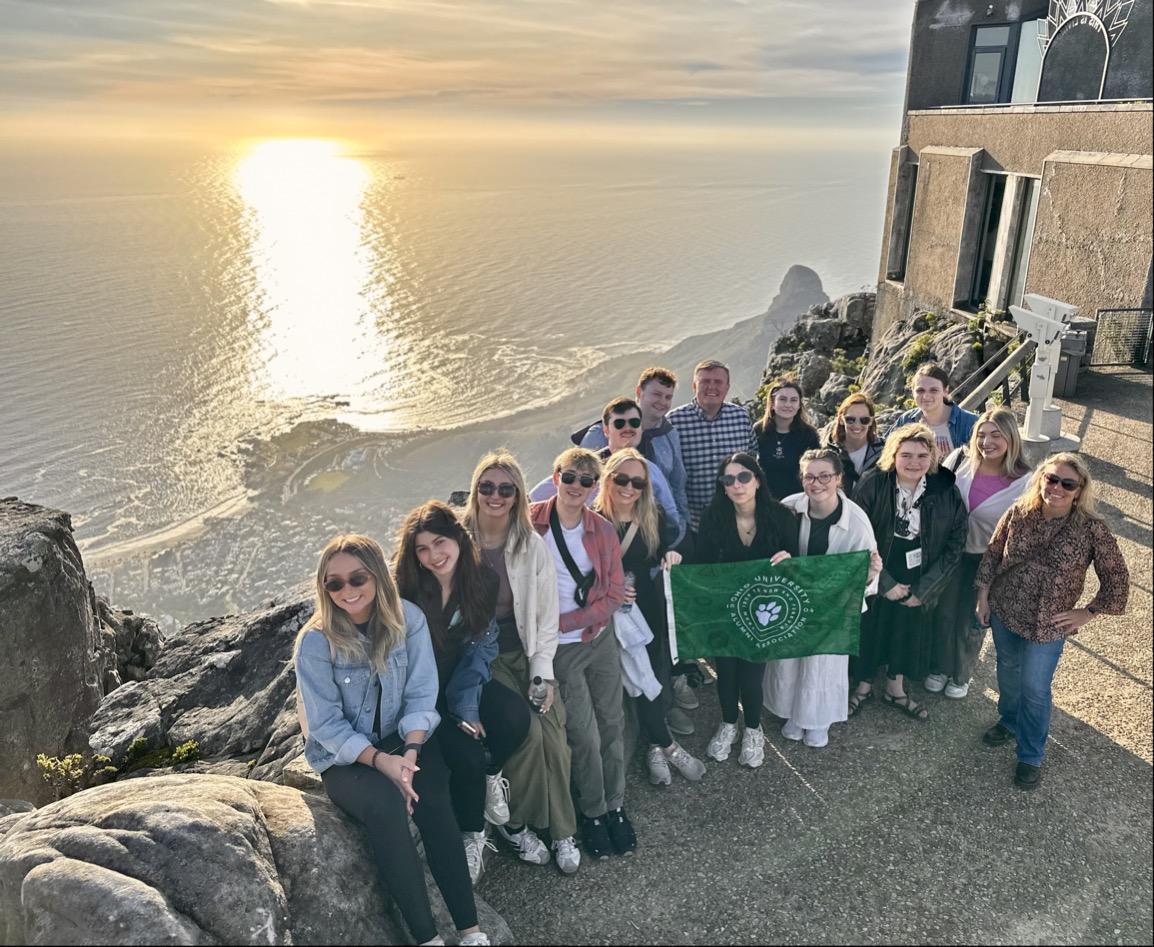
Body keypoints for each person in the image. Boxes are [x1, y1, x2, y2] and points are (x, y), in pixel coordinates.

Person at [295, 535, 490, 947]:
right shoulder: (316, 643)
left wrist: (412, 755)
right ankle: (427, 938)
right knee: (386, 808)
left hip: (405, 740)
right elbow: (325, 725)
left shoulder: (408, 620)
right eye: (335, 584)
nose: (347, 591)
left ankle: (471, 932)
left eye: (357, 578)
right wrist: (383, 763)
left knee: (433, 800)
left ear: (378, 576)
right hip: (344, 757)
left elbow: (421, 695)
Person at [393, 501, 533, 885]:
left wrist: (467, 706)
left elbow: (480, 647)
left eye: (439, 542)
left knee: (515, 717)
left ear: (457, 537)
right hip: (419, 690)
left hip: (460, 678)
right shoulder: (406, 591)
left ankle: (494, 775)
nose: (433, 556)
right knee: (466, 755)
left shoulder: (481, 580)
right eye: (422, 549)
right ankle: (474, 833)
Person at [976, 453, 1129, 790]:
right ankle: (1009, 720)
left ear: (1079, 490)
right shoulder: (1019, 512)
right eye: (1051, 479)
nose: (1057, 487)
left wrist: (1087, 612)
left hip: (1048, 624)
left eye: (1067, 483)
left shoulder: (1092, 530)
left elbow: (1117, 579)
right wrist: (983, 596)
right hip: (1006, 610)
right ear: (1041, 480)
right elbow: (993, 552)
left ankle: (1030, 755)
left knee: (1035, 688)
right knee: (1008, 670)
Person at [461, 450, 582, 875]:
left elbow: (547, 617)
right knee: (527, 733)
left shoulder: (531, 546)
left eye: (505, 489)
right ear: (475, 491)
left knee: (554, 731)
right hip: (482, 657)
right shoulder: (457, 543)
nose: (495, 496)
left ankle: (564, 830)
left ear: (517, 495)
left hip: (526, 650)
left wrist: (542, 673)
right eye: (487, 487)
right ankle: (516, 824)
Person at [529, 447, 634, 859]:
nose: (577, 487)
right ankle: (592, 812)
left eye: (587, 481)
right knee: (584, 736)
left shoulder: (601, 530)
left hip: (598, 639)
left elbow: (612, 595)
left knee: (612, 722)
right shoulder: (531, 523)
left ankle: (616, 805)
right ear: (555, 478)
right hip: (560, 652)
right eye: (569, 477)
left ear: (595, 488)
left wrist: (565, 622)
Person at [593, 448, 708, 785]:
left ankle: (656, 746)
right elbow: (581, 574)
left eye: (638, 483)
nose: (629, 488)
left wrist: (675, 552)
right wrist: (610, 590)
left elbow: (677, 544)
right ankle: (665, 744)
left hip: (648, 605)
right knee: (635, 676)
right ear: (608, 479)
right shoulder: (593, 521)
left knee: (651, 669)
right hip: (612, 613)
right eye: (622, 479)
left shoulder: (651, 514)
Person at [764, 449, 881, 748]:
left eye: (825, 476)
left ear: (839, 479)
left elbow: (866, 574)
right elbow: (767, 549)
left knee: (822, 664)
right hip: (793, 601)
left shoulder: (856, 520)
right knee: (789, 662)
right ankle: (793, 713)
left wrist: (869, 574)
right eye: (809, 476)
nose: (817, 483)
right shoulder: (789, 507)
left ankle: (817, 720)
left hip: (832, 605)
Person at [849, 424, 967, 721]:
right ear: (893, 455)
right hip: (878, 562)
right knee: (870, 624)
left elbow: (956, 541)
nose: (914, 462)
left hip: (920, 567)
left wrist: (924, 590)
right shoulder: (872, 483)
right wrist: (883, 581)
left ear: (933, 457)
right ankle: (862, 686)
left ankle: (895, 688)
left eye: (922, 455)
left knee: (907, 626)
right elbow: (855, 536)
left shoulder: (945, 491)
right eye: (906, 455)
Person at [696, 452, 799, 768]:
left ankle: (753, 730)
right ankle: (728, 724)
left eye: (743, 477)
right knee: (726, 672)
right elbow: (701, 566)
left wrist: (789, 561)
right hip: (726, 610)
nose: (737, 485)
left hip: (764, 611)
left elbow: (798, 561)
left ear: (757, 480)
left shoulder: (782, 516)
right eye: (729, 479)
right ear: (723, 487)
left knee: (752, 676)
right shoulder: (712, 517)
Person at [925, 408, 1032, 699]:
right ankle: (939, 666)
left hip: (987, 559)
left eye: (996, 435)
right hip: (950, 553)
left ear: (1011, 438)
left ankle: (961, 674)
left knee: (973, 619)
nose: (987, 442)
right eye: (981, 435)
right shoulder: (959, 462)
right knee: (944, 613)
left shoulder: (1026, 481)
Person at [533, 397, 685, 546]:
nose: (628, 428)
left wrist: (666, 553)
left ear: (641, 428)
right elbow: (537, 496)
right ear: (606, 430)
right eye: (619, 423)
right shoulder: (588, 467)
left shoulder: (650, 469)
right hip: (590, 554)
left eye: (634, 422)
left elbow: (671, 516)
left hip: (637, 557)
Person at [578, 367, 689, 529]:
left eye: (668, 397)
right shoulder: (599, 434)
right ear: (639, 392)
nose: (662, 402)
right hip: (607, 529)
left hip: (658, 529)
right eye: (657, 394)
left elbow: (677, 484)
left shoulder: (669, 435)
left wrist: (683, 530)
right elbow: (578, 477)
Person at [667, 359, 760, 535]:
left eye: (718, 382)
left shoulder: (740, 417)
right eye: (705, 381)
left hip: (738, 518)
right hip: (693, 523)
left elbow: (752, 459)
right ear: (694, 386)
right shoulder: (674, 421)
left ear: (727, 387)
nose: (711, 387)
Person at [887, 362, 978, 458]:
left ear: (945, 391)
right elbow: (885, 452)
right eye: (920, 390)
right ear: (912, 392)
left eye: (933, 390)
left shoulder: (970, 423)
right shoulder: (906, 420)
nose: (926, 396)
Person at [754, 377, 821, 500]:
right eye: (782, 399)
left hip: (798, 500)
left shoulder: (808, 434)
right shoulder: (759, 431)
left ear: (799, 405)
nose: (788, 405)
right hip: (764, 501)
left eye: (793, 400)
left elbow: (817, 469)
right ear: (772, 404)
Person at [819, 392, 885, 496]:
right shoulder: (826, 453)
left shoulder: (884, 453)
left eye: (864, 420)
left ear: (871, 421)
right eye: (850, 419)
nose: (857, 425)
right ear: (841, 420)